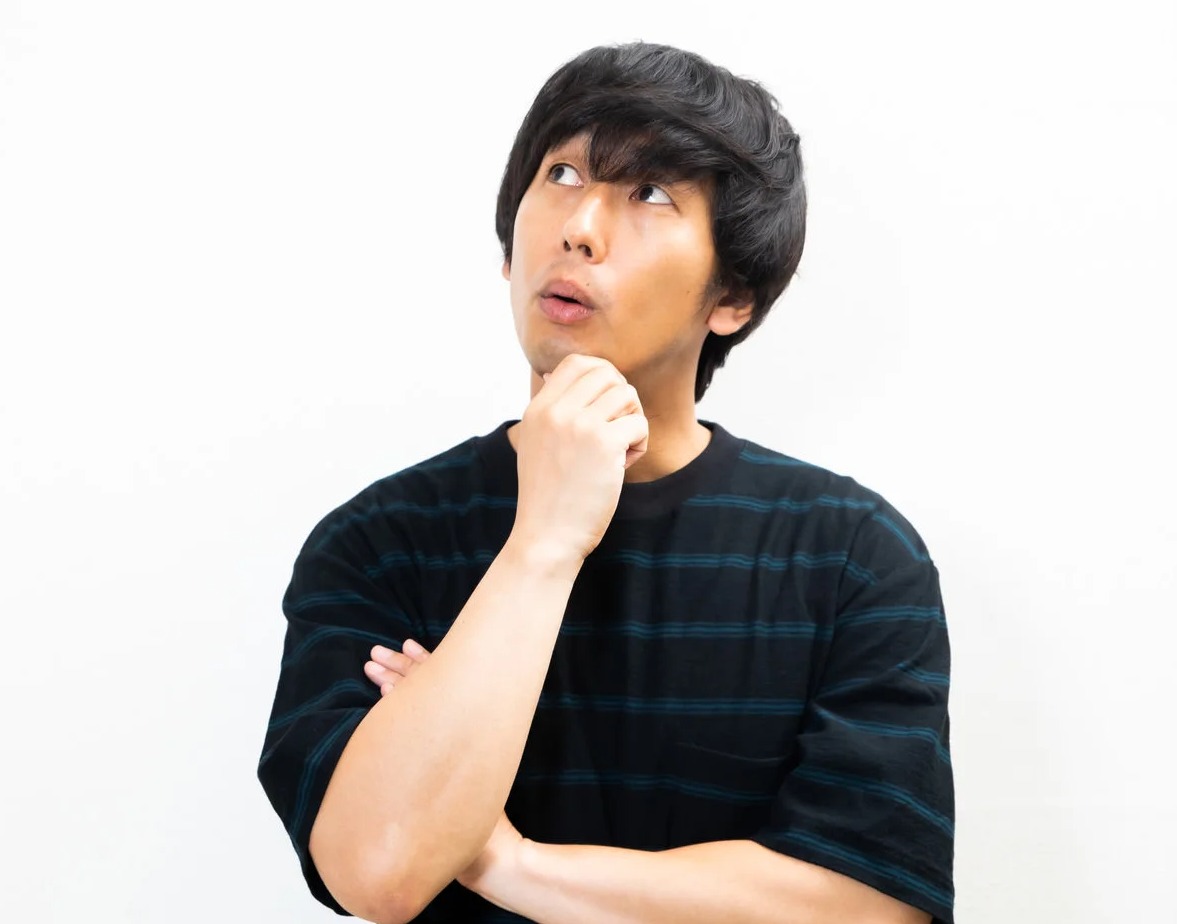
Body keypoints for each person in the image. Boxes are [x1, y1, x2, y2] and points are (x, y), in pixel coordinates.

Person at [257, 42, 954, 924]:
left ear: (732, 296)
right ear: (508, 248)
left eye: (649, 193)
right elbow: (377, 871)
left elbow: (869, 905)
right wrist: (544, 543)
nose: (579, 226)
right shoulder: (379, 540)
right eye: (560, 174)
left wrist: (504, 861)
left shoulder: (849, 552)